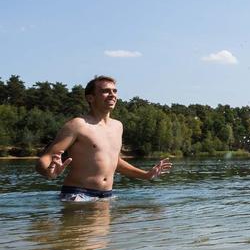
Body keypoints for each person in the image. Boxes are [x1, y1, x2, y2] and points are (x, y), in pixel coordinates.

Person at [36, 75, 172, 201]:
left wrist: (146, 175)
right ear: (90, 98)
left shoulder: (118, 126)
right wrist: (49, 173)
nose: (112, 95)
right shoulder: (78, 124)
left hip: (107, 195)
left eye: (115, 91)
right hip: (78, 195)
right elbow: (45, 158)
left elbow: (114, 162)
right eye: (106, 91)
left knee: (103, 229)